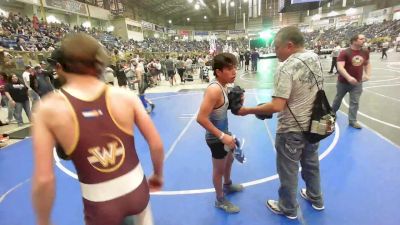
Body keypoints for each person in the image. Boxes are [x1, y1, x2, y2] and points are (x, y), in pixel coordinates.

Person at [31, 33, 164, 225]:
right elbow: (156, 144)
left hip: (101, 205)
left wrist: (43, 221)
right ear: (98, 63)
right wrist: (158, 176)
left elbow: (44, 179)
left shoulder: (49, 108)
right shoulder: (124, 96)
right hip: (137, 191)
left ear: (60, 68)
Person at [238, 26, 325, 219]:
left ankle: (288, 207)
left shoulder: (286, 67)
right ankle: (316, 198)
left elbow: (277, 106)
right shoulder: (315, 58)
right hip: (315, 124)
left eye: (277, 47)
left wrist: (249, 110)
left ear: (289, 45)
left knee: (288, 170)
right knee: (311, 164)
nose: (275, 51)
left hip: (292, 130)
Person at [196, 53, 244, 214]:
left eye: (235, 68)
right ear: (218, 71)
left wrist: (236, 104)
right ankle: (220, 200)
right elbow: (201, 118)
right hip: (216, 138)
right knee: (219, 170)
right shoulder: (214, 90)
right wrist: (223, 137)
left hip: (224, 133)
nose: (234, 72)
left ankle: (228, 186)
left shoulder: (223, 86)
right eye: (229, 69)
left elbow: (219, 110)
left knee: (230, 160)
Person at [331, 34, 371, 129]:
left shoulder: (365, 52)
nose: (363, 40)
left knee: (355, 102)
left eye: (364, 39)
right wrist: (348, 77)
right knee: (338, 99)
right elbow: (340, 67)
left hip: (357, 83)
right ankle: (332, 114)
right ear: (354, 41)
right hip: (343, 83)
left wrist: (368, 74)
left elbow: (367, 64)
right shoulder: (344, 53)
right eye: (361, 39)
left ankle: (352, 121)